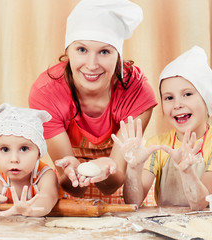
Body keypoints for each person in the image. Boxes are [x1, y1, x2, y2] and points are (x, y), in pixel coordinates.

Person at [29, 0, 157, 204]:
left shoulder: (136, 92)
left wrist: (107, 168)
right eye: (81, 50)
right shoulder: (47, 93)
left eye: (104, 52)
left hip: (124, 189)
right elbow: (71, 186)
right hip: (71, 196)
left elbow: (114, 183)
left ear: (118, 56)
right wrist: (72, 172)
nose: (92, 65)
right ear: (68, 51)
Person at [112, 46, 212, 210]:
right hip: (168, 227)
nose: (178, 104)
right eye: (169, 97)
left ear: (206, 98)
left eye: (187, 94)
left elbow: (200, 203)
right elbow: (134, 202)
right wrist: (133, 169)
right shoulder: (157, 144)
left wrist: (187, 171)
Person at [0, 103, 60, 220]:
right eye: (5, 149)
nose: (14, 159)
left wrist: (28, 209)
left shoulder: (45, 175)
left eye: (24, 149)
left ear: (39, 153)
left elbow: (47, 199)